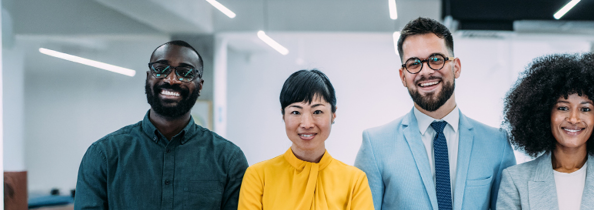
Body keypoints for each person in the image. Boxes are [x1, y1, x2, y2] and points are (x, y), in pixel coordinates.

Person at [354, 17, 516, 210]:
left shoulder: (496, 144)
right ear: (403, 76)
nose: (426, 71)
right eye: (414, 63)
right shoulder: (375, 146)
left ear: (456, 67)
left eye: (436, 59)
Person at [75, 40, 248, 210]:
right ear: (148, 77)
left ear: (200, 85)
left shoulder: (228, 160)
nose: (171, 79)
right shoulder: (104, 155)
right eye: (160, 69)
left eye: (185, 72)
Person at [497, 53, 594, 210]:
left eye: (585, 109)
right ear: (544, 112)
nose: (573, 119)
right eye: (563, 108)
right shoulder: (516, 180)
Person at [238, 70, 373, 210]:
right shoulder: (258, 177)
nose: (307, 124)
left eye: (317, 112)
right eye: (296, 112)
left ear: (333, 114)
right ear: (283, 115)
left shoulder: (355, 181)